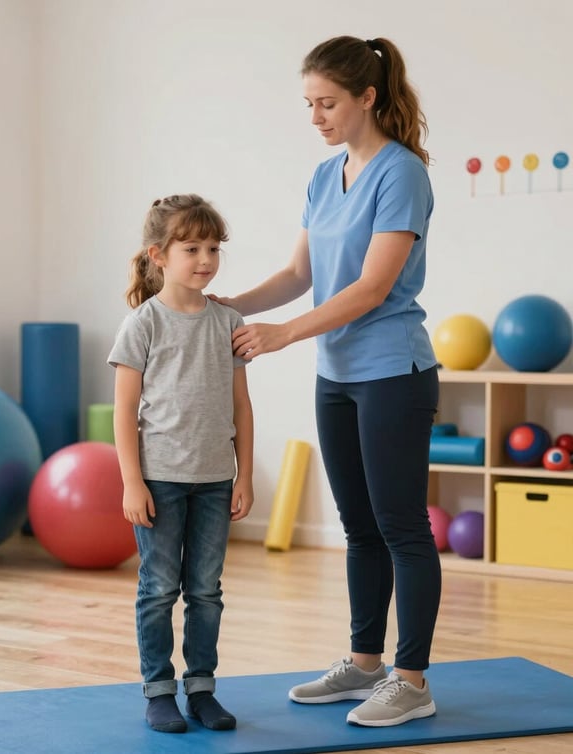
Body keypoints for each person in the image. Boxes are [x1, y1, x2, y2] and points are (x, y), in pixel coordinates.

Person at [213, 36, 440, 728]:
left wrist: (283, 334)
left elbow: (371, 287)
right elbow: (297, 274)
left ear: (367, 97)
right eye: (309, 104)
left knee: (401, 527)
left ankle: (411, 681)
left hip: (393, 371)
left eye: (328, 103)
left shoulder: (402, 174)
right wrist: (230, 306)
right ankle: (365, 664)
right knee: (358, 528)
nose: (315, 117)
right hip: (337, 374)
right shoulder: (323, 176)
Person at [107, 194, 254, 734]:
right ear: (159, 255)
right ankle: (159, 692)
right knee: (159, 589)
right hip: (160, 481)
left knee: (206, 591)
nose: (206, 259)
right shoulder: (142, 324)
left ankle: (201, 689)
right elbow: (124, 411)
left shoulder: (228, 321)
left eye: (213, 248)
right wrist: (132, 482)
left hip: (215, 481)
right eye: (191, 248)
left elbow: (242, 406)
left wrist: (244, 475)